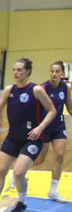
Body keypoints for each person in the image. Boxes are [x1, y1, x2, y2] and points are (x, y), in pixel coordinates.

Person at [0, 58, 56, 212]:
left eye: (19, 70)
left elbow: (52, 111)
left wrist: (40, 128)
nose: (16, 73)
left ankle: (22, 202)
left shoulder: (36, 90)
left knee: (18, 173)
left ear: (27, 72)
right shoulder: (8, 90)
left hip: (32, 139)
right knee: (0, 171)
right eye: (14, 69)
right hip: (13, 137)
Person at [32, 61, 71, 202]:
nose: (54, 74)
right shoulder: (43, 88)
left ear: (62, 74)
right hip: (44, 126)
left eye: (57, 71)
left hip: (59, 126)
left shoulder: (66, 88)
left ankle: (53, 191)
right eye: (52, 71)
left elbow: (70, 107)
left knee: (59, 155)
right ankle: (17, 172)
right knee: (39, 159)